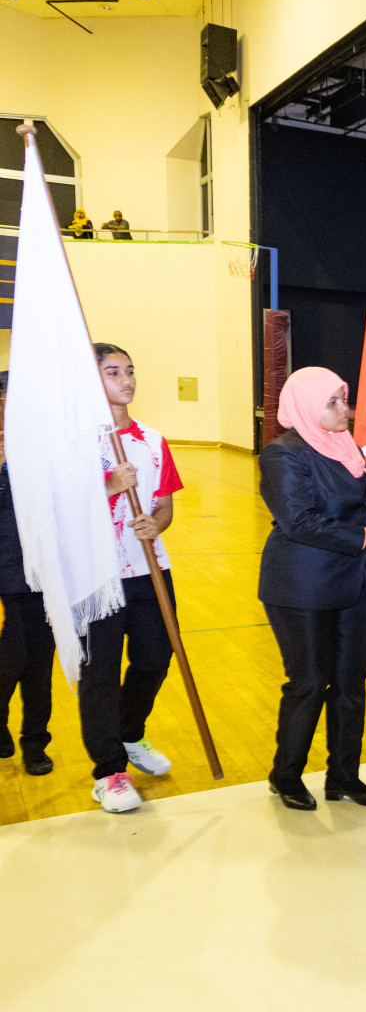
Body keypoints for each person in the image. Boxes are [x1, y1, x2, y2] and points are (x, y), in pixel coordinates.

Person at [259, 367, 366, 811]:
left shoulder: (347, 447)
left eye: (345, 399)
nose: (345, 409)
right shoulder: (284, 455)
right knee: (309, 681)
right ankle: (285, 776)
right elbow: (298, 521)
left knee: (350, 682)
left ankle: (344, 776)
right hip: (302, 585)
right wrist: (364, 537)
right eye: (334, 402)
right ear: (305, 404)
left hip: (350, 583)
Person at [79, 344, 184, 813]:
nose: (126, 380)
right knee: (99, 673)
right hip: (95, 575)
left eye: (130, 371)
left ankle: (129, 732)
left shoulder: (151, 439)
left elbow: (164, 504)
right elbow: (57, 513)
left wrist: (155, 524)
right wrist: (108, 487)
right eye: (113, 372)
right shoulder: (74, 444)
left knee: (155, 658)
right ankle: (109, 772)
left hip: (148, 570)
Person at [0, 371, 55, 777]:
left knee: (40, 654)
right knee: (21, 649)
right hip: (6, 560)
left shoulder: (43, 446)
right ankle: (29, 738)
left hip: (45, 561)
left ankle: (34, 739)